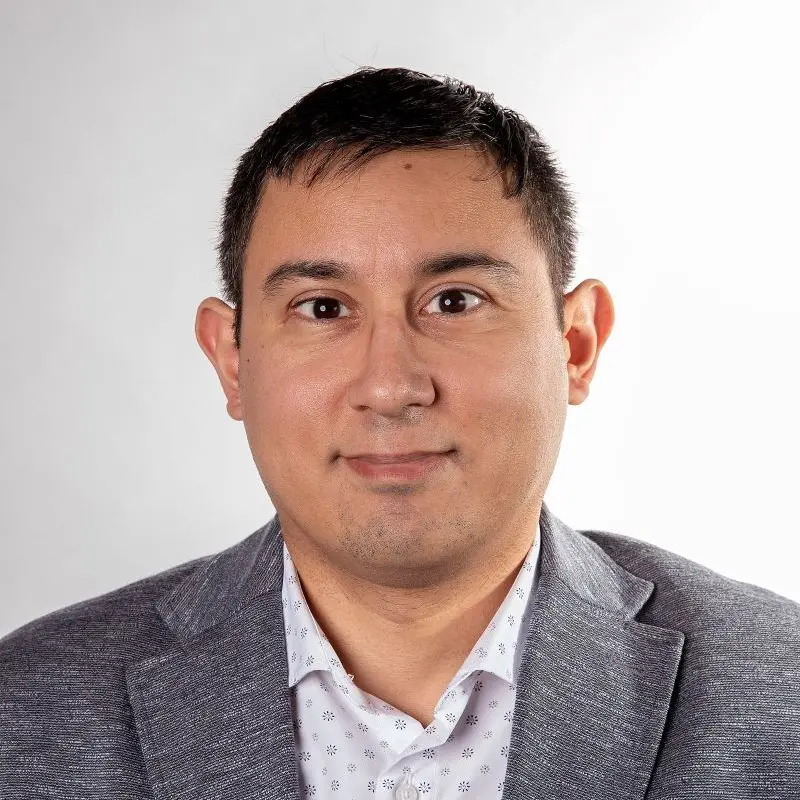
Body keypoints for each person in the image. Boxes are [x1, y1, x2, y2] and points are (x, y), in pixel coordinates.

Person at [1, 66, 798, 800]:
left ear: (576, 345)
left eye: (455, 301)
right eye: (322, 309)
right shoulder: (26, 711)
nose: (389, 387)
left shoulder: (779, 693)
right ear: (232, 362)